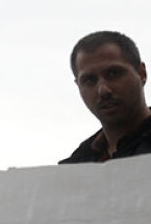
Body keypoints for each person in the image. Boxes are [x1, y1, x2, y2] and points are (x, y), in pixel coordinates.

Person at [61, 30, 151, 163]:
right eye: (89, 80)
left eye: (113, 73)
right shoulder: (77, 164)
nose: (103, 90)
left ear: (141, 73)